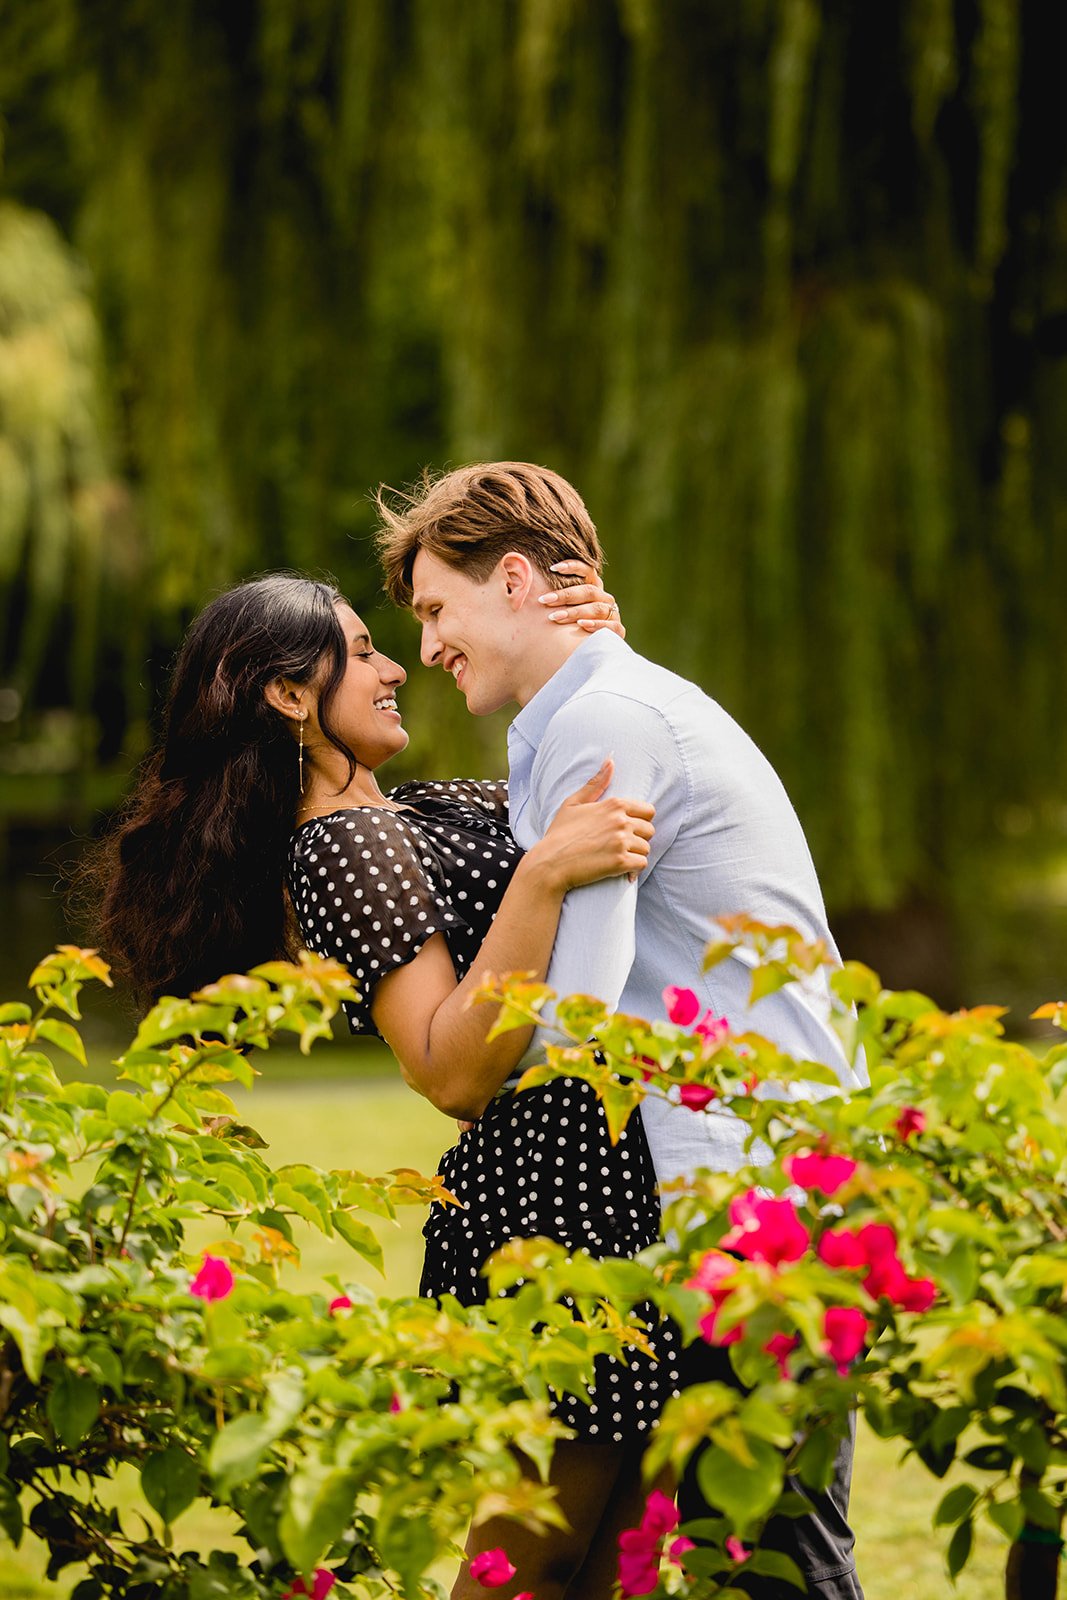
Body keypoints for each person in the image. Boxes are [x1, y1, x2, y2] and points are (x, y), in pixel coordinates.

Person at [88, 568, 680, 1600]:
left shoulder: (400, 811)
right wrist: (541, 874)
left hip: (597, 1185)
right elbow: (449, 1067)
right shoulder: (341, 844)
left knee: (611, 1565)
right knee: (529, 1556)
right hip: (549, 1207)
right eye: (361, 650)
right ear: (285, 693)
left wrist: (596, 661)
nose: (394, 663)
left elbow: (583, 800)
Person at [376, 461, 869, 1600]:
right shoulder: (598, 706)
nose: (433, 646)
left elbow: (579, 1019)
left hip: (749, 1195)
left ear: (512, 578)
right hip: (764, 1175)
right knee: (728, 1548)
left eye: (439, 609)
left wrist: (459, 1057)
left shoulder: (604, 716)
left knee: (771, 1559)